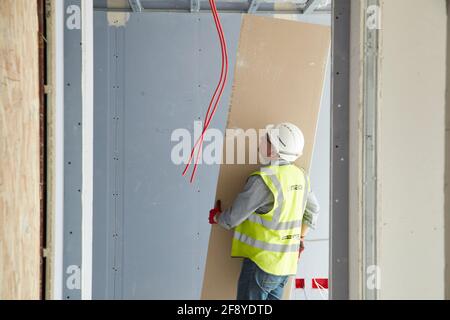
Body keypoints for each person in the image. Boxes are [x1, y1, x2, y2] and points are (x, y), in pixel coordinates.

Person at [208, 123, 320, 300]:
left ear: (274, 150)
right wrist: (300, 238)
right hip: (285, 267)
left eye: (267, 139)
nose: (261, 140)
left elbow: (231, 219)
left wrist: (216, 217)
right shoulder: (301, 176)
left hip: (262, 265)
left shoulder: (264, 180)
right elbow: (313, 211)